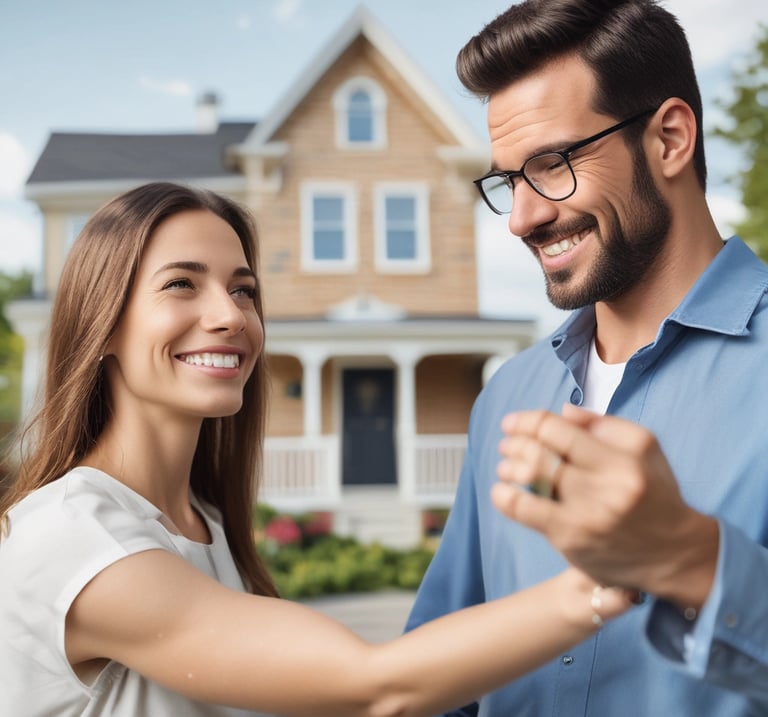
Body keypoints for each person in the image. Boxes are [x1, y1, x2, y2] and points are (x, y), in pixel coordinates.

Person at [0, 181, 637, 717]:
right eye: (181, 285)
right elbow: (374, 684)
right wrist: (624, 572)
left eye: (243, 290)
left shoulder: (204, 524)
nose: (231, 315)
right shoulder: (75, 535)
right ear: (104, 325)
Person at [405, 0, 768, 714]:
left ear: (669, 139)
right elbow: (439, 670)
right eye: (510, 180)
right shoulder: (506, 396)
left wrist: (696, 560)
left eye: (555, 163)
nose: (523, 217)